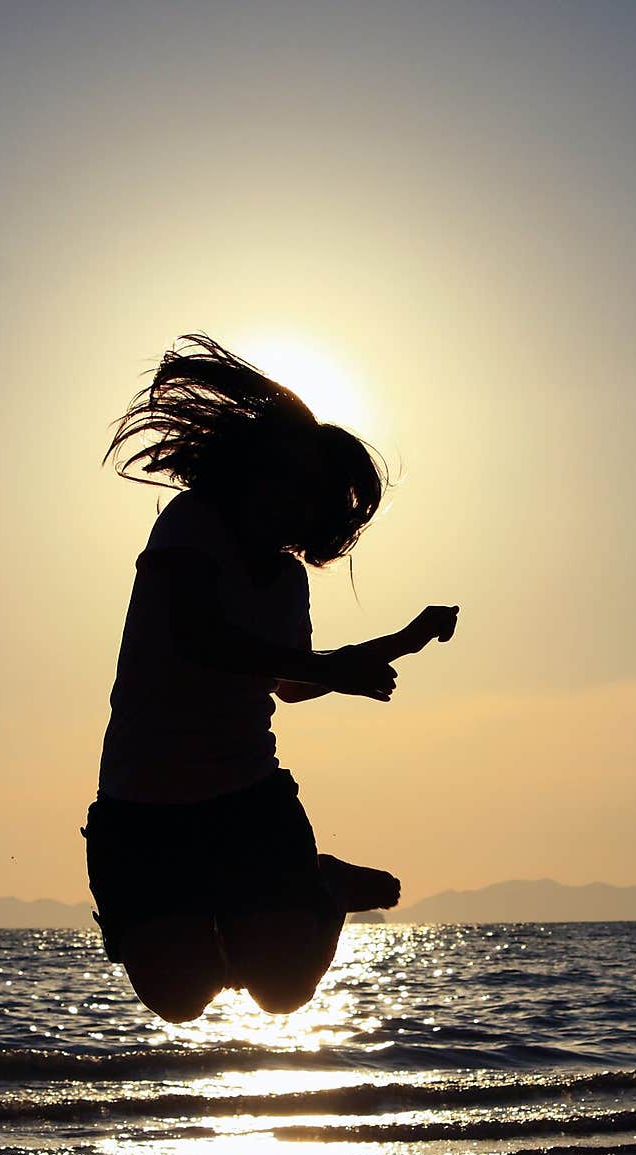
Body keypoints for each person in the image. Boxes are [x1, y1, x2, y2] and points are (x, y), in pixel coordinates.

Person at [83, 333, 458, 1024]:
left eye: (321, 499)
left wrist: (397, 644)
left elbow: (290, 682)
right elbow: (197, 637)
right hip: (141, 803)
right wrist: (330, 669)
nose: (303, 505)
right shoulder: (192, 525)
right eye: (300, 484)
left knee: (282, 991)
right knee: (180, 999)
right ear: (262, 473)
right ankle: (299, 887)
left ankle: (323, 889)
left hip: (245, 796)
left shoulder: (286, 579)